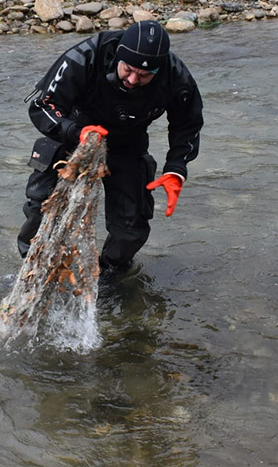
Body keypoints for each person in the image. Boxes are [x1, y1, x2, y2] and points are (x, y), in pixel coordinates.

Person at [16, 20, 203, 277]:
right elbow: (42, 106)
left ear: (158, 71)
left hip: (127, 142)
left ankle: (109, 280)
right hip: (72, 133)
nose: (133, 79)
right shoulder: (85, 57)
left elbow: (188, 125)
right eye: (128, 69)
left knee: (132, 228)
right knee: (43, 210)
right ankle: (31, 270)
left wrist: (176, 169)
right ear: (118, 57)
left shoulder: (176, 76)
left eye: (145, 75)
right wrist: (75, 131)